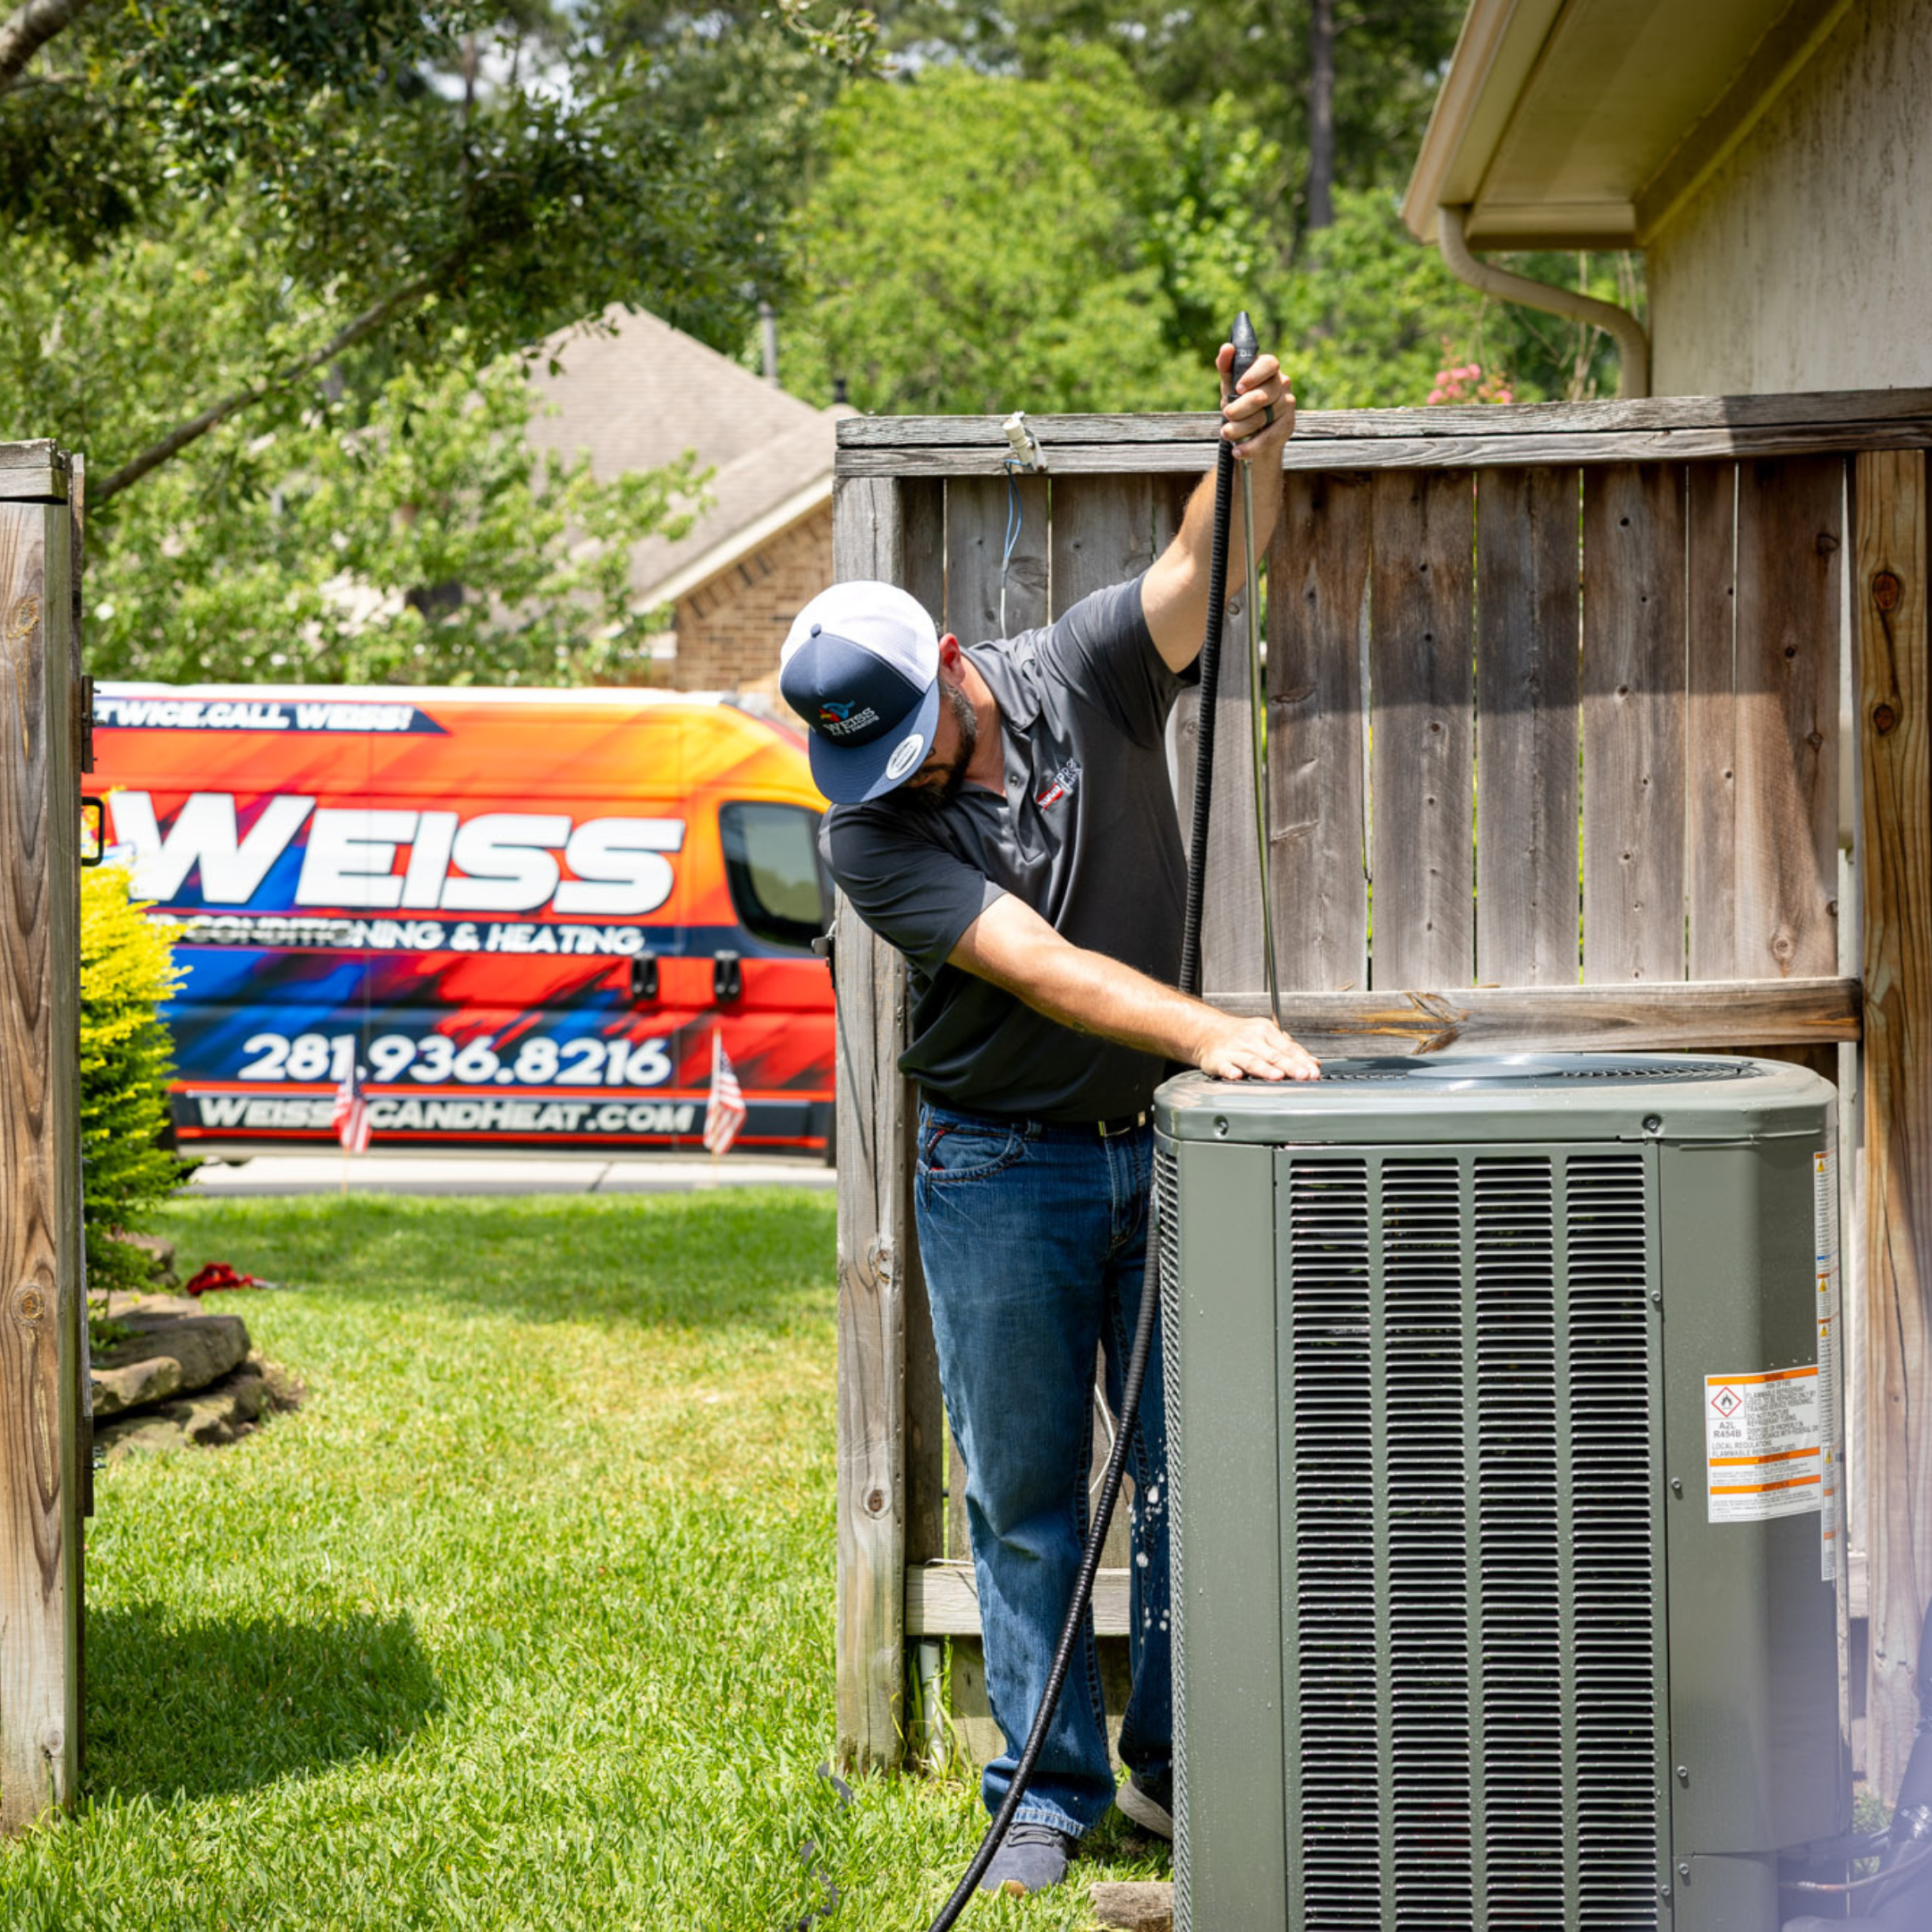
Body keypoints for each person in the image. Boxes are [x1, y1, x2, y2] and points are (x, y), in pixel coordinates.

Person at [778, 342, 1318, 1899]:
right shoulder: (872, 843)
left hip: (1158, 1165)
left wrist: (1254, 447)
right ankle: (1040, 1793)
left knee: (1196, 1472)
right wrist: (1215, 1031)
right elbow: (1048, 968)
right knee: (1023, 1499)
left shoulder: (1079, 671)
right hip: (997, 1172)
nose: (896, 778)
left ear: (951, 662)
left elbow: (1205, 567)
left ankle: (1176, 1774)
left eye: (911, 739)